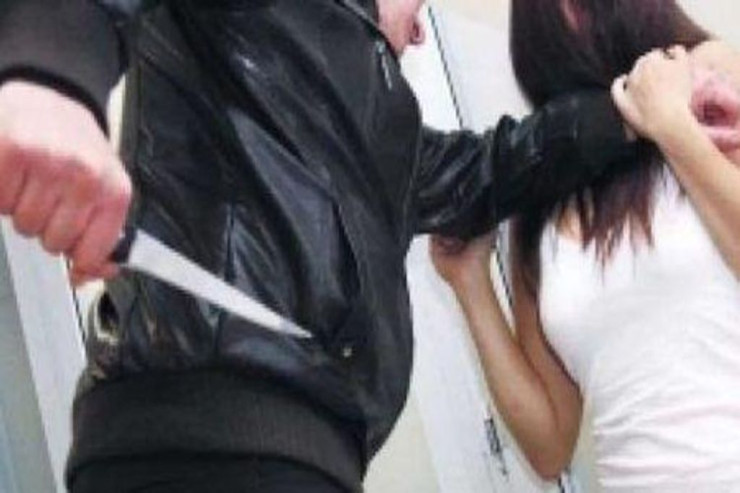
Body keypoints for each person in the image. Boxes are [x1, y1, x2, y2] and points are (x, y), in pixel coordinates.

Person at [0, 1, 729, 492]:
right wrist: (49, 77)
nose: (419, 33)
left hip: (299, 458)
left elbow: (496, 166)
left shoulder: (381, 127)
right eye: (421, 7)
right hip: (206, 444)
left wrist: (635, 107)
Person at [432, 1, 740, 491]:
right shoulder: (543, 192)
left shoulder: (709, 73)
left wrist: (670, 124)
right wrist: (470, 283)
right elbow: (550, 446)